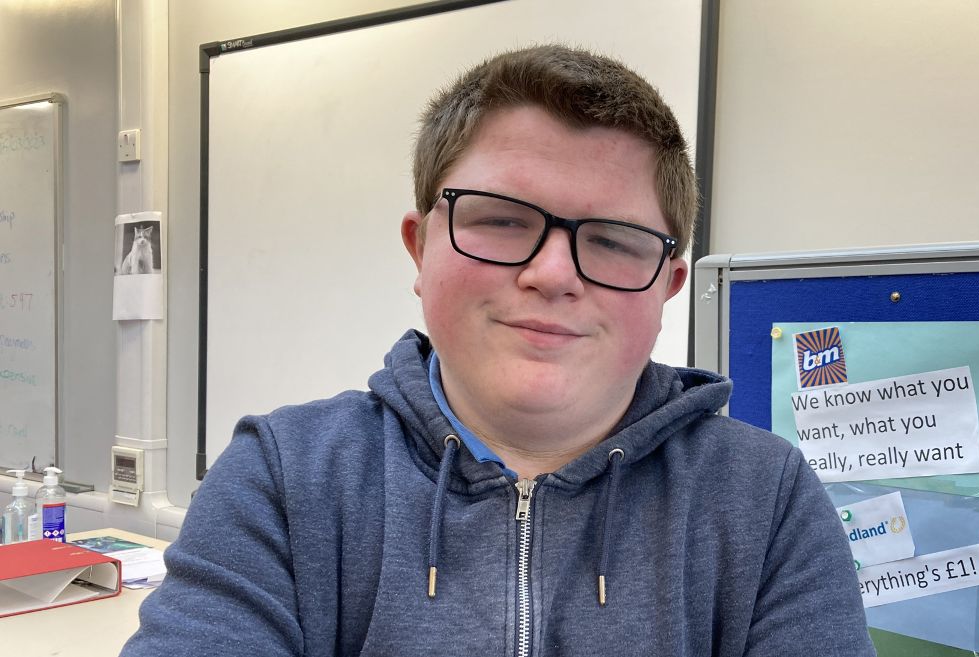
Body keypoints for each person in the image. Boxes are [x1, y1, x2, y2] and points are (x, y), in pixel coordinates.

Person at [122, 45, 874, 656]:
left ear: (668, 285)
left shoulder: (766, 500)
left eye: (612, 240)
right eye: (502, 220)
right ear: (421, 249)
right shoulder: (285, 476)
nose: (551, 274)